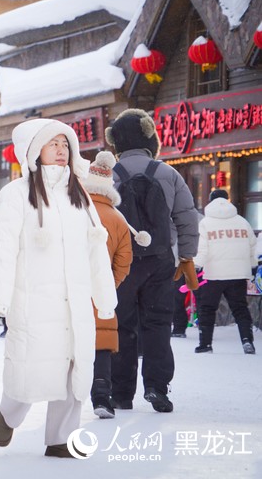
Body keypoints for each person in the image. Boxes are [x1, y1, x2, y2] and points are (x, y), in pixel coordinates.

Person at [0, 119, 117, 458]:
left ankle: (61, 437)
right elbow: (2, 248)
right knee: (31, 367)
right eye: (52, 143)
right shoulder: (15, 194)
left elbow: (96, 249)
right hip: (33, 301)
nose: (61, 150)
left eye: (65, 143)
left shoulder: (80, 196)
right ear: (33, 151)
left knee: (74, 368)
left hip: (74, 302)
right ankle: (9, 413)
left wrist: (104, 296)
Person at [106, 109, 199, 413]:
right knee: (158, 324)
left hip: (120, 264)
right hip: (161, 261)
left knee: (123, 326)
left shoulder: (109, 175)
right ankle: (157, 388)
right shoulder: (167, 173)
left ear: (116, 143)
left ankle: (120, 393)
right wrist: (186, 256)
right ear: (151, 139)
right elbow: (186, 219)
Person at [81, 151, 133, 418]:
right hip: (103, 295)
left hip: (72, 291)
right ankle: (101, 395)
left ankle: (67, 399)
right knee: (101, 343)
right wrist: (107, 284)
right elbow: (125, 259)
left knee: (72, 344)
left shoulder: (72, 211)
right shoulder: (117, 218)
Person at [193, 189, 256, 355]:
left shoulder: (205, 223)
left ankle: (205, 344)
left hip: (213, 274)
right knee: (240, 308)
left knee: (207, 308)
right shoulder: (243, 222)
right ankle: (247, 341)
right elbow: (252, 246)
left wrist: (195, 266)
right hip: (238, 274)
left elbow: (202, 249)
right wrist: (253, 267)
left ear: (210, 201)